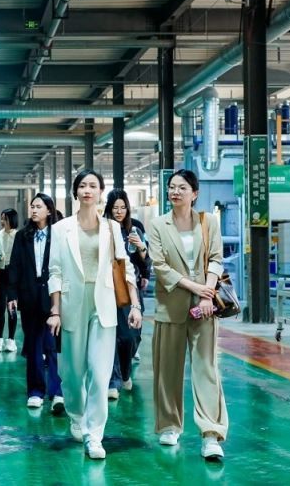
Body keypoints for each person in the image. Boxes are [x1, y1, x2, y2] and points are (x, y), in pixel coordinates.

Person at [47, 169, 142, 460]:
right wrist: (55, 310)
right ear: (75, 192)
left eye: (93, 186)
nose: (87, 190)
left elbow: (125, 267)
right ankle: (77, 415)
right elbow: (55, 271)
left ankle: (95, 435)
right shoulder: (60, 228)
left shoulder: (112, 227)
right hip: (73, 302)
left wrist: (135, 305)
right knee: (72, 373)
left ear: (101, 192)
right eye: (83, 186)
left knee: (100, 374)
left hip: (104, 303)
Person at [148, 169, 228, 460]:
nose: (175, 192)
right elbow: (159, 266)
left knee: (206, 370)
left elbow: (216, 258)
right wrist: (195, 286)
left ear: (195, 193)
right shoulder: (158, 224)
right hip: (170, 305)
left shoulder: (209, 222)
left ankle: (211, 434)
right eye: (172, 187)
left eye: (182, 187)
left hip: (204, 306)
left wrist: (207, 292)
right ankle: (169, 426)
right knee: (167, 370)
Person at [7, 194, 63, 412]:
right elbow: (15, 265)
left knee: (53, 346)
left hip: (52, 295)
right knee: (33, 346)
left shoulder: (58, 234)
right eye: (32, 206)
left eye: (38, 206)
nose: (34, 210)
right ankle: (36, 392)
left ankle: (57, 392)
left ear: (49, 210)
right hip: (29, 295)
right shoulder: (23, 236)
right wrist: (12, 294)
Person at [103, 189, 151, 400]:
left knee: (131, 336)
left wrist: (141, 248)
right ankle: (113, 382)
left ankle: (124, 372)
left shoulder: (136, 228)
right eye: (115, 208)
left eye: (123, 207)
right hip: (108, 288)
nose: (119, 212)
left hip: (131, 289)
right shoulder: (103, 229)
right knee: (112, 336)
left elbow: (146, 259)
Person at [0, 208, 19, 352]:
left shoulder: (19, 236)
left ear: (11, 220)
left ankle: (11, 340)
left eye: (5, 219)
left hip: (14, 274)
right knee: (0, 306)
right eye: (1, 218)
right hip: (1, 272)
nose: (2, 221)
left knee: (12, 307)